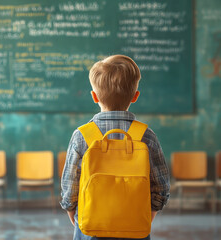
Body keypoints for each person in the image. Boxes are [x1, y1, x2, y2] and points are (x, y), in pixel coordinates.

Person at [60, 55, 170, 240]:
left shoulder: (82, 136)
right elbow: (161, 186)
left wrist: (72, 212)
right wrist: (147, 216)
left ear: (94, 96)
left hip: (90, 226)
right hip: (136, 226)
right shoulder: (146, 136)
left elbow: (70, 186)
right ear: (135, 96)